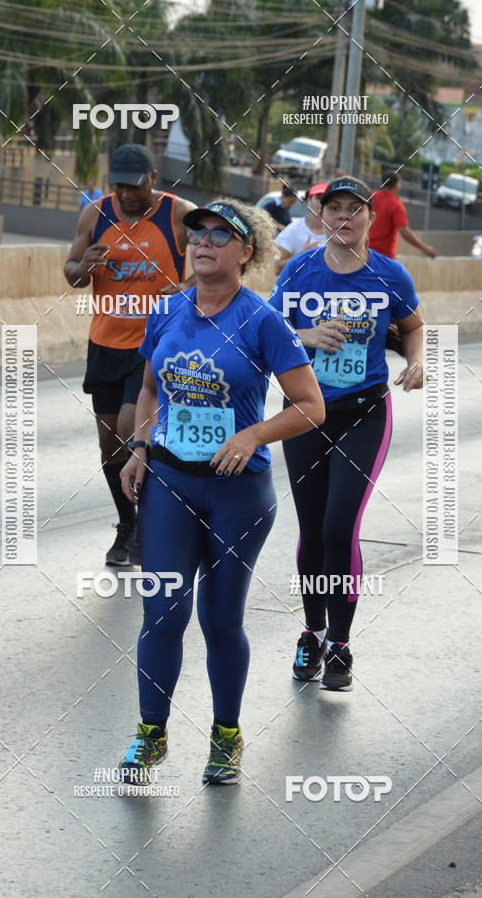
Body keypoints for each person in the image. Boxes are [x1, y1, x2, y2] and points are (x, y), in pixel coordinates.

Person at [117, 199, 324, 784]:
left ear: (246, 251)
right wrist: (140, 446)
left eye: (219, 235)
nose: (203, 242)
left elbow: (311, 406)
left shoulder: (263, 321)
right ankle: (151, 734)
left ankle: (226, 735)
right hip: (170, 484)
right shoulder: (166, 310)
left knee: (220, 619)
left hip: (238, 494)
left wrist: (253, 434)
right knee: (162, 613)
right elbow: (150, 387)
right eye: (197, 234)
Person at [269, 176, 424, 691]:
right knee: (312, 528)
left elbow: (414, 326)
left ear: (370, 219)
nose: (343, 217)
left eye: (354, 209)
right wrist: (306, 334)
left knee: (340, 527)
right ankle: (312, 632)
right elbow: (264, 330)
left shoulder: (390, 275)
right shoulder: (299, 271)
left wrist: (418, 360)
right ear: (322, 217)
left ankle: (340, 643)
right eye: (333, 208)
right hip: (305, 413)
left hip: (364, 414)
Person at [64, 144, 196, 566]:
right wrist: (84, 266)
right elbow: (71, 272)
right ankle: (129, 524)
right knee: (109, 443)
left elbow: (223, 254)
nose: (124, 194)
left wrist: (187, 287)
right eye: (118, 185)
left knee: (129, 427)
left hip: (155, 345)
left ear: (153, 180)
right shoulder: (96, 214)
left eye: (133, 186)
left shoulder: (179, 214)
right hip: (105, 344)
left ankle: (153, 524)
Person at [368, 171, 437, 260]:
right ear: (396, 185)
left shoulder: (371, 197)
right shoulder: (396, 205)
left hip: (365, 252)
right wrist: (425, 248)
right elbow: (404, 232)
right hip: (384, 256)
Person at [274, 181, 329, 274]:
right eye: (319, 198)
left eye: (327, 199)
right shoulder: (293, 230)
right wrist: (303, 255)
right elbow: (276, 268)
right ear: (309, 199)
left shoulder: (341, 233)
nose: (323, 203)